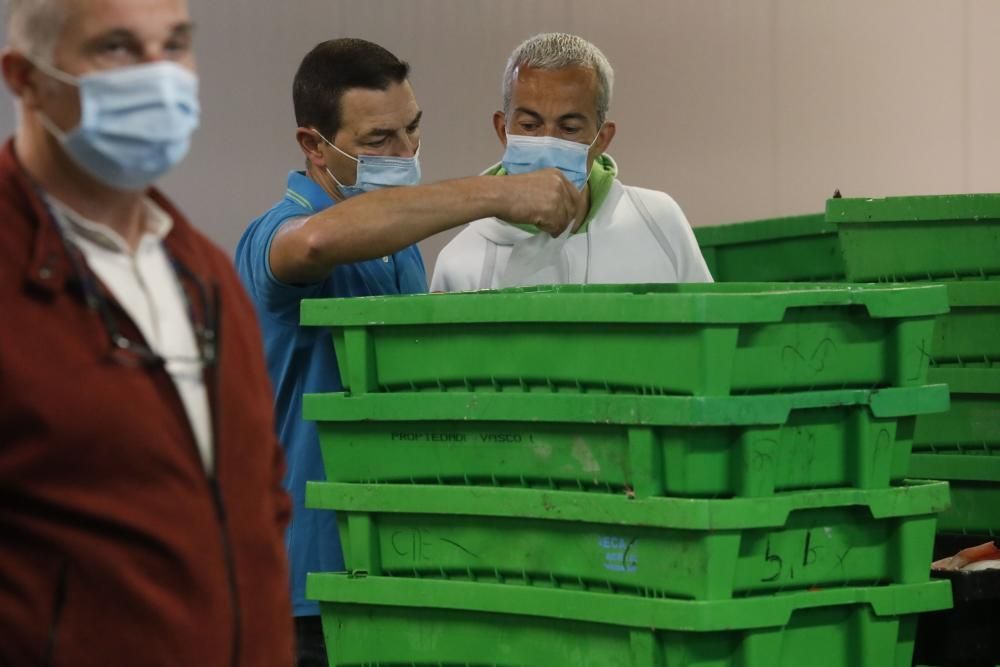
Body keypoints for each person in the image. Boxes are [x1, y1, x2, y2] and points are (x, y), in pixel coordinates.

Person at [234, 38, 582, 666]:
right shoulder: (276, 236)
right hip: (309, 594)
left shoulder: (400, 251)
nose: (405, 153)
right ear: (314, 146)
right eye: (378, 142)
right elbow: (313, 244)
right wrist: (497, 193)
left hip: (399, 571)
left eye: (413, 130)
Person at [0, 0, 293, 664]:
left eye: (176, 44)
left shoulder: (206, 273)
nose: (161, 77)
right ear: (26, 77)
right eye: (118, 49)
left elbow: (259, 507)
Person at [430, 32, 713, 291]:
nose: (547, 143)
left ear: (602, 139)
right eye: (530, 125)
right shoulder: (461, 262)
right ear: (502, 129)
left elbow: (709, 334)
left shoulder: (658, 222)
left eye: (569, 129)